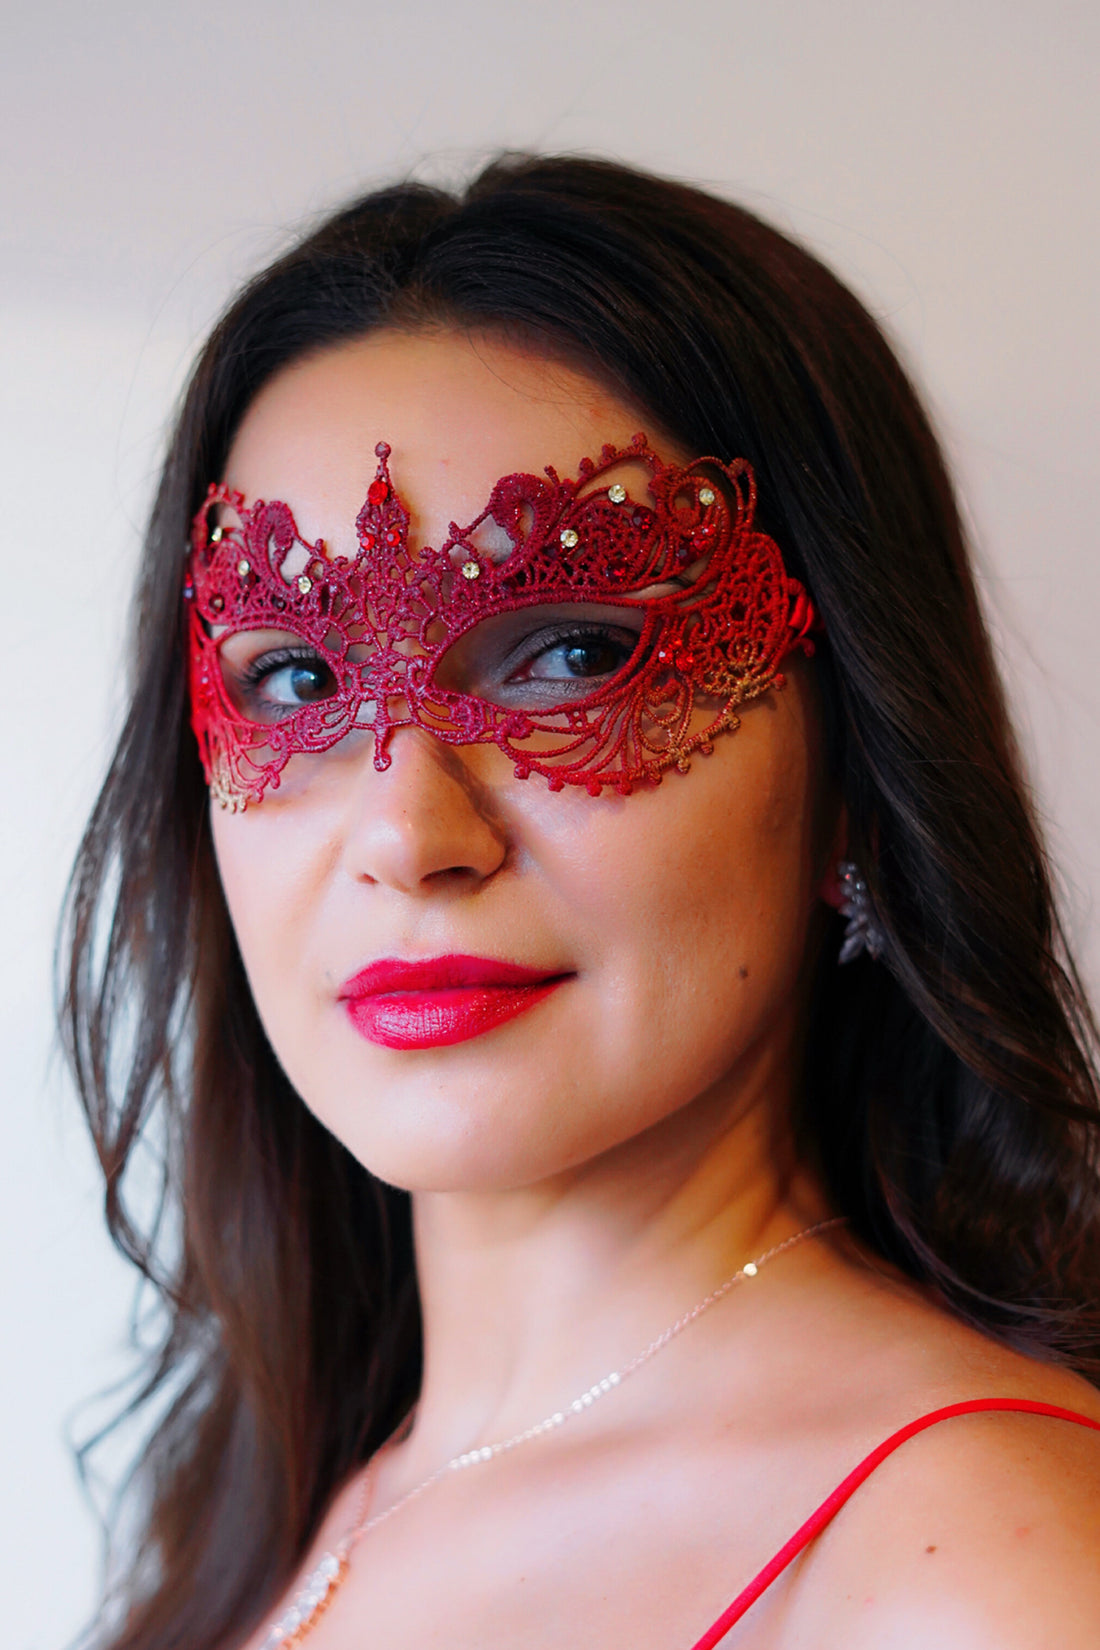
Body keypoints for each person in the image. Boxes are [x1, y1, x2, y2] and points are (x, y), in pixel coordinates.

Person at [62, 154, 1100, 1650]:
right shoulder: (270, 1523)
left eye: (570, 655)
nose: (409, 834)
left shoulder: (973, 1572)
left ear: (861, 772)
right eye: (294, 675)